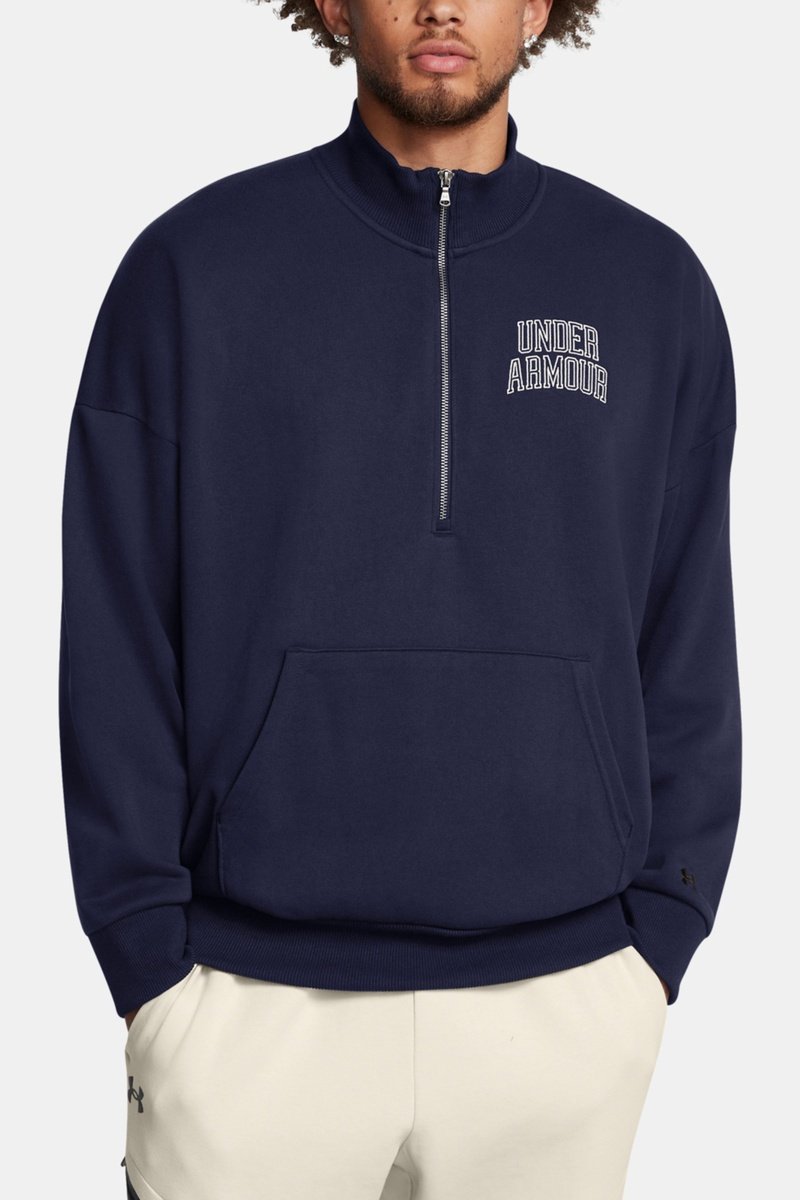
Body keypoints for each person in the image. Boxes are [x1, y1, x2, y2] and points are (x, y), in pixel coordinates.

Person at [58, 0, 742, 1196]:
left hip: (565, 1006)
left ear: (538, 8)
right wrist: (146, 961)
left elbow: (685, 632)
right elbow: (116, 628)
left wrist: (658, 939)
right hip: (247, 1007)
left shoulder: (648, 285)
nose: (439, 6)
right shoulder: (192, 269)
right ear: (332, 4)